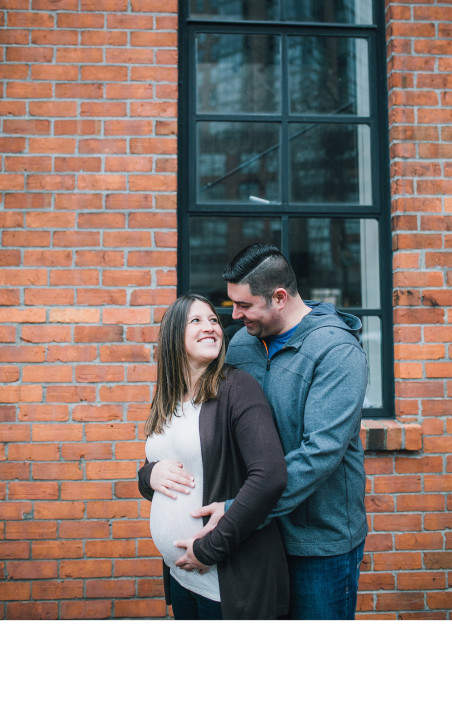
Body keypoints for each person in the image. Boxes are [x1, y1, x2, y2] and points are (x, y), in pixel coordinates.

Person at [177, 243, 369, 620]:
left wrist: (237, 512)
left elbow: (321, 453)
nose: (234, 315)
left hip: (319, 542)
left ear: (279, 297)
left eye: (244, 305)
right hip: (256, 538)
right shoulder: (243, 345)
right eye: (232, 304)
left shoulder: (336, 352)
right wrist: (153, 472)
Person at [136, 294, 289, 619]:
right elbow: (158, 470)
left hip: (225, 580)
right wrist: (148, 476)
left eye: (213, 321)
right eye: (196, 321)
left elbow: (270, 476)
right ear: (173, 335)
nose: (210, 328)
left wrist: (209, 549)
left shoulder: (237, 388)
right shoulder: (169, 399)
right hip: (182, 575)